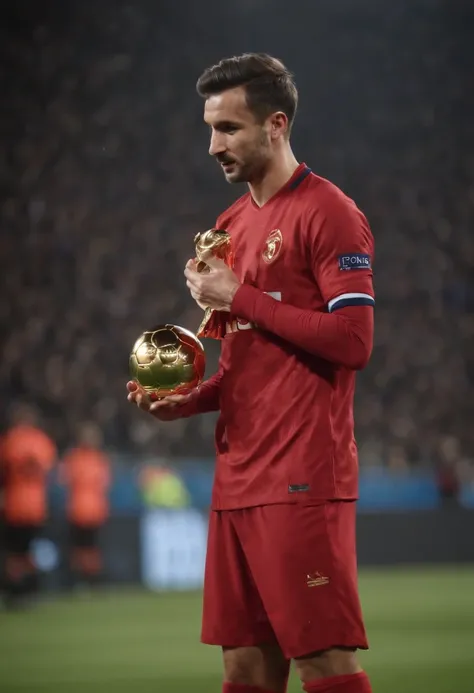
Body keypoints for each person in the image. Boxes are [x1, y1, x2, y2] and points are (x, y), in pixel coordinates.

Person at [127, 53, 375, 693]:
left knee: (324, 661)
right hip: (235, 481)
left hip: (300, 481)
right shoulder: (229, 226)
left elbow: (353, 341)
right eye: (210, 128)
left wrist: (240, 296)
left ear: (276, 126)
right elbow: (247, 362)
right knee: (244, 669)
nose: (214, 145)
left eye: (229, 128)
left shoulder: (329, 213)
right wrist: (189, 400)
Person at [0, 404, 57, 607]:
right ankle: (31, 590)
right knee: (31, 551)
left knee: (14, 552)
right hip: (35, 506)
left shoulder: (9, 440)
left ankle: (14, 593)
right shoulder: (42, 441)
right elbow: (49, 473)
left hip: (14, 503)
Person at [60, 422, 111, 588]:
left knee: (83, 547)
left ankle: (83, 582)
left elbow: (63, 481)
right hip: (90, 509)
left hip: (82, 509)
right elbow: (105, 484)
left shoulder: (74, 459)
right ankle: (88, 582)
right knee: (87, 547)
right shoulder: (98, 460)